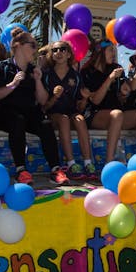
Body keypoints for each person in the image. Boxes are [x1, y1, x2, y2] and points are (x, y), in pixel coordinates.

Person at [0, 28, 67, 185]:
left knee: (45, 124)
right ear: (18, 45)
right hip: (7, 113)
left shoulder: (34, 70)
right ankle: (21, 170)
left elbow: (43, 100)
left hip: (30, 112)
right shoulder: (3, 67)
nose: (35, 49)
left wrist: (38, 80)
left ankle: (55, 169)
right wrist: (13, 84)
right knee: (17, 121)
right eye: (32, 45)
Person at [81, 40, 136, 163]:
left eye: (114, 50)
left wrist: (125, 89)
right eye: (111, 50)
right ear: (100, 51)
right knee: (117, 114)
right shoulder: (87, 72)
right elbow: (95, 101)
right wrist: (110, 79)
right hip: (95, 114)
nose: (114, 54)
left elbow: (131, 87)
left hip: (117, 115)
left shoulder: (116, 68)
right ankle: (109, 162)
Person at [37, 39, 95, 180]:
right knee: (63, 120)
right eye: (55, 50)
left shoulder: (75, 76)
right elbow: (44, 107)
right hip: (53, 114)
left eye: (62, 49)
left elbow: (80, 107)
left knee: (80, 119)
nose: (58, 52)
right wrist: (55, 97)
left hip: (71, 113)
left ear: (69, 54)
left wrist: (86, 98)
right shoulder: (46, 75)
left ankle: (88, 163)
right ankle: (71, 164)